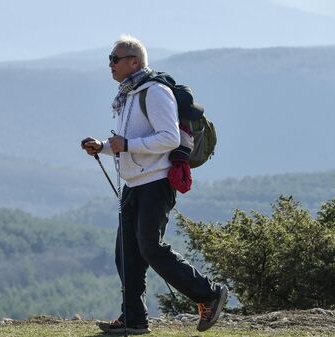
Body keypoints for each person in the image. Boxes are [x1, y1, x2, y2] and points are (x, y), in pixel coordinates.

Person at [80, 35, 228, 334]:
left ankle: (209, 294)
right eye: (110, 59)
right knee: (127, 253)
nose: (110, 64)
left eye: (115, 59)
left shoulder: (155, 92)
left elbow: (169, 138)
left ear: (134, 61)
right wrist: (104, 146)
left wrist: (125, 145)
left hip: (156, 182)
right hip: (134, 184)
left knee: (150, 248)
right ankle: (133, 319)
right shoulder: (128, 94)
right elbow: (128, 141)